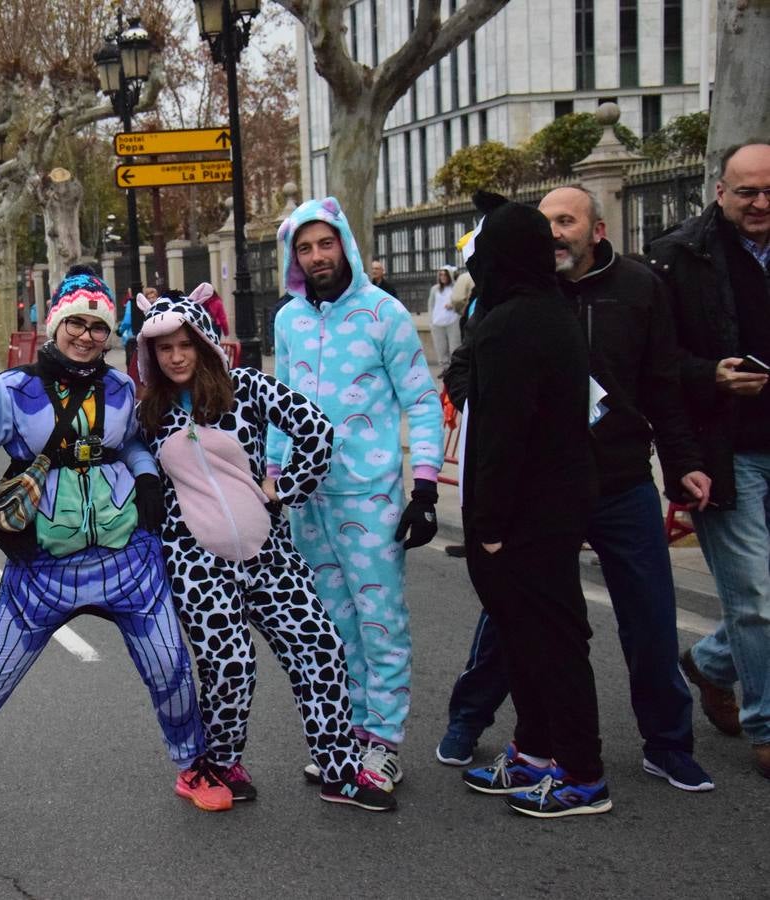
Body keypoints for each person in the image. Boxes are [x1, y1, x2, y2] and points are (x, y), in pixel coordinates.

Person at [0, 266, 231, 838]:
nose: (87, 336)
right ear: (55, 325)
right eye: (76, 323)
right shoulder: (10, 392)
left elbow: (135, 446)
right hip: (41, 570)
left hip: (130, 564)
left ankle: (191, 766)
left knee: (171, 667)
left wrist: (146, 484)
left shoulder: (122, 389)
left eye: (98, 327)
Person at [435, 185, 715, 794]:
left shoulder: (632, 290)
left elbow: (661, 384)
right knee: (519, 627)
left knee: (625, 624)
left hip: (600, 483)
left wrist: (487, 526)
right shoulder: (523, 306)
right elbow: (480, 382)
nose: (557, 232)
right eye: (547, 223)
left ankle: (637, 754)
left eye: (568, 220)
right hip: (546, 494)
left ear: (598, 229)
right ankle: (512, 740)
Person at [136, 288, 395, 811]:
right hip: (196, 561)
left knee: (319, 646)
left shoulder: (244, 388)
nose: (177, 356)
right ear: (151, 355)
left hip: (270, 553)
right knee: (230, 664)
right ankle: (221, 762)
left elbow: (316, 429)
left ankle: (340, 769)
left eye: (186, 344)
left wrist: (287, 490)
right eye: (164, 349)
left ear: (204, 343)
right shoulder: (148, 414)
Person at [270, 197, 444, 791]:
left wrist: (424, 486)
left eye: (326, 243)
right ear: (293, 256)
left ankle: (384, 743)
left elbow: (421, 401)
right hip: (306, 499)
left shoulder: (384, 314)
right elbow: (279, 408)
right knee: (328, 623)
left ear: (345, 243)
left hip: (369, 497)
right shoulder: (288, 320)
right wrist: (270, 481)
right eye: (305, 247)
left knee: (380, 620)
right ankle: (342, 736)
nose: (317, 256)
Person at [457, 189, 610, 817]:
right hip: (549, 507)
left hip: (526, 517)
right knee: (527, 640)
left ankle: (583, 774)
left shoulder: (512, 325)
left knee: (549, 643)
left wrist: (488, 525)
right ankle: (536, 751)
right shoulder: (544, 310)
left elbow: (503, 434)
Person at [648, 141, 770, 780]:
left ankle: (714, 662)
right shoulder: (677, 258)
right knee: (754, 595)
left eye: (769, 191)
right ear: (720, 191)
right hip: (725, 451)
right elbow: (655, 363)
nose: (759, 203)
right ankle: (767, 725)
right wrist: (710, 376)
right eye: (746, 191)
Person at [428, 265, 460, 374]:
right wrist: (431, 320)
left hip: (453, 321)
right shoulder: (435, 289)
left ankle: (455, 367)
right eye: (441, 274)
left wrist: (453, 305)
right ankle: (445, 368)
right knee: (441, 347)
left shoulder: (455, 287)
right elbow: (431, 305)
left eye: (445, 274)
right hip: (437, 322)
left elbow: (460, 301)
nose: (443, 277)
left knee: (454, 346)